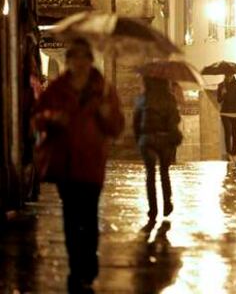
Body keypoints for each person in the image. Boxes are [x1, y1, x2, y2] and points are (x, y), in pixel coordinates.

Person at [32, 38, 124, 293]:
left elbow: (117, 127)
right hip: (66, 162)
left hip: (92, 162)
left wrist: (107, 115)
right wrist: (52, 117)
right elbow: (38, 117)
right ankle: (76, 268)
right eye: (75, 58)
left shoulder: (103, 89)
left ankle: (89, 265)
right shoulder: (57, 89)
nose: (80, 63)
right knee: (71, 218)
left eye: (84, 58)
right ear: (69, 60)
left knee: (90, 216)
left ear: (90, 60)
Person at [133, 77, 182, 222]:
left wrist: (139, 140)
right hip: (165, 139)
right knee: (164, 172)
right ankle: (167, 203)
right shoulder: (169, 98)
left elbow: (136, 121)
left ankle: (152, 209)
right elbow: (175, 119)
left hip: (147, 140)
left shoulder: (143, 98)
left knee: (150, 175)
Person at [217, 73, 236, 163]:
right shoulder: (221, 85)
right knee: (228, 132)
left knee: (235, 134)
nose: (228, 77)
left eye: (229, 75)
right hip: (225, 112)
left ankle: (234, 153)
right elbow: (218, 100)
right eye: (227, 75)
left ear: (232, 75)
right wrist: (222, 94)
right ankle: (229, 153)